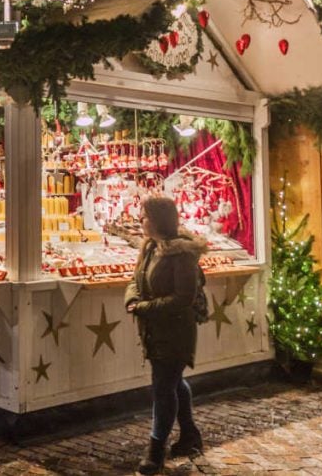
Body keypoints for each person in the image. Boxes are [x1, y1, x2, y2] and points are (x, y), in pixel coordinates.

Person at [124, 197, 207, 474]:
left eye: (144, 216)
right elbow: (135, 280)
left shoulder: (181, 254)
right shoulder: (149, 248)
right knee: (173, 381)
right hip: (154, 329)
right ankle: (190, 436)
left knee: (163, 387)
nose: (140, 221)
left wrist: (144, 307)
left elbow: (184, 297)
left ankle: (155, 450)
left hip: (175, 330)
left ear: (158, 220)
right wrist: (132, 298)